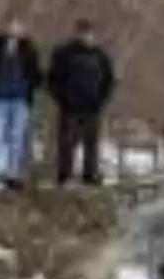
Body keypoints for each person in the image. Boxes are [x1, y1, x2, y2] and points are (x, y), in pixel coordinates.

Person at [0, 17, 43, 194]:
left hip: (19, 99)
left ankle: (13, 175)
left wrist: (31, 87)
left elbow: (36, 72)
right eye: (11, 25)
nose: (15, 29)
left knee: (16, 138)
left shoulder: (28, 48)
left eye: (18, 26)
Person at [49, 19, 116, 186]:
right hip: (70, 106)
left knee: (91, 143)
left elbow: (108, 80)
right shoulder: (64, 54)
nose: (86, 37)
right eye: (83, 34)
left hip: (92, 105)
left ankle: (90, 174)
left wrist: (101, 99)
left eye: (89, 34)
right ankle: (65, 174)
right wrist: (62, 99)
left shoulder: (99, 55)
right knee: (67, 142)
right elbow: (53, 79)